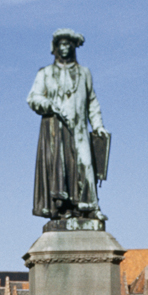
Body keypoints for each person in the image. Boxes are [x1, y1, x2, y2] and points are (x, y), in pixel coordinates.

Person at [27, 30, 108, 221]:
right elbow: (33, 98)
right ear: (55, 48)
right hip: (55, 128)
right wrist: (48, 105)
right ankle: (64, 209)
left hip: (79, 129)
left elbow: (92, 102)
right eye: (61, 44)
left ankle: (89, 208)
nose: (64, 48)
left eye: (68, 44)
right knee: (60, 168)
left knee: (85, 164)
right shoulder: (45, 73)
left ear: (73, 47)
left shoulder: (84, 73)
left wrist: (98, 126)